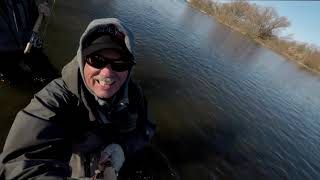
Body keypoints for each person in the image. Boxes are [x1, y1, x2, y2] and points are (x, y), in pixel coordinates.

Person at [0, 18, 156, 179]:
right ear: (82, 60)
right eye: (97, 60)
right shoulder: (54, 99)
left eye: (120, 63)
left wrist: (123, 148)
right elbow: (17, 166)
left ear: (129, 69)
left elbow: (147, 128)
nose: (107, 73)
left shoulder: (134, 94)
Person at [0, 0, 52, 82]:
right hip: (5, 55)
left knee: (53, 79)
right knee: (23, 83)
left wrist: (40, 11)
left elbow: (33, 17)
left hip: (30, 47)